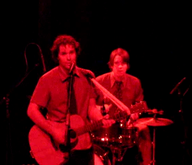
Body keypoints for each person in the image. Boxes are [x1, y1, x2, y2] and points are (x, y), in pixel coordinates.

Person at [27, 34, 115, 165]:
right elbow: (32, 110)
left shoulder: (87, 77)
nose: (69, 57)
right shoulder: (47, 80)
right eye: (63, 54)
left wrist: (101, 120)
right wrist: (53, 131)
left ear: (76, 53)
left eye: (71, 52)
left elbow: (91, 109)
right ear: (57, 56)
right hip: (57, 147)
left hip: (83, 145)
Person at [94, 48, 152, 165]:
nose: (120, 67)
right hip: (104, 125)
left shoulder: (135, 82)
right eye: (117, 63)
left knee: (144, 129)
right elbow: (90, 106)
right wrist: (101, 110)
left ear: (127, 66)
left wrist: (135, 115)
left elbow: (138, 105)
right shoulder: (99, 81)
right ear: (111, 65)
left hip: (127, 124)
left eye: (123, 63)